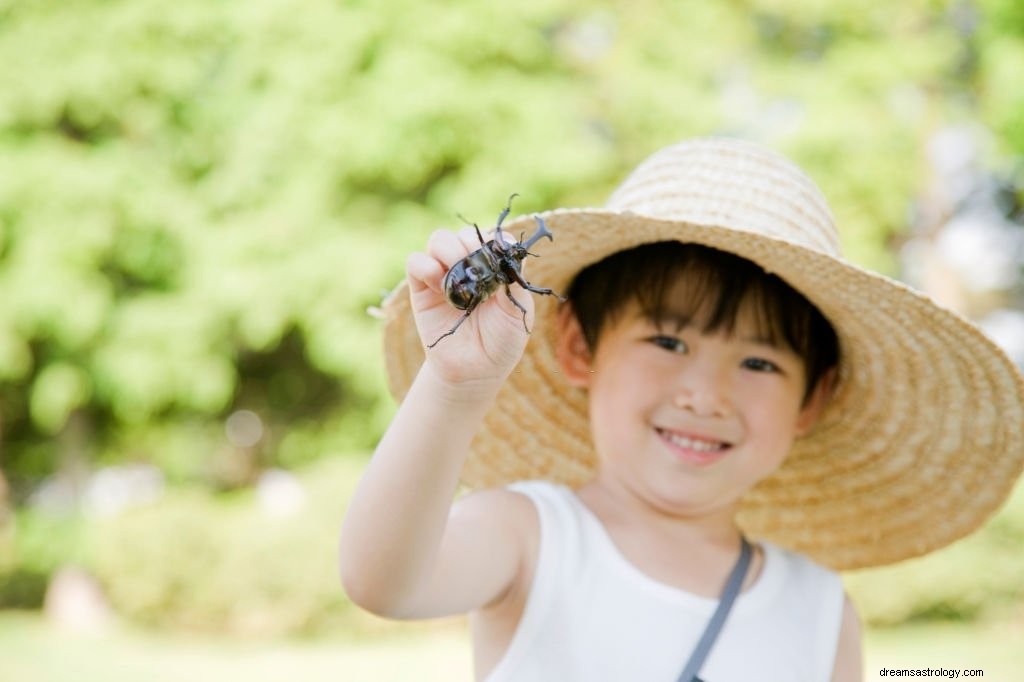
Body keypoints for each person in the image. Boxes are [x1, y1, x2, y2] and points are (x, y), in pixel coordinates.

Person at [339, 138, 1024, 681]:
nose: (705, 395)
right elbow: (382, 581)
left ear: (813, 398)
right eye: (667, 341)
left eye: (759, 362)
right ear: (579, 347)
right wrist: (457, 387)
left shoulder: (822, 612)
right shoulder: (530, 535)